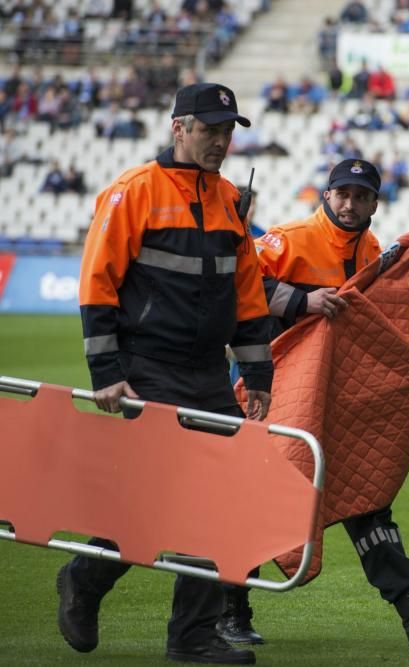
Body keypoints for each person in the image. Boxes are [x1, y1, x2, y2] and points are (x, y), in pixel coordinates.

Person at [217, 158, 409, 654]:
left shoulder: (376, 251)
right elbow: (239, 285)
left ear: (376, 204)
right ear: (326, 195)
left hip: (337, 394)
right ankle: (228, 612)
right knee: (250, 494)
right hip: (269, 384)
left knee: (367, 493)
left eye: (361, 196)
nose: (350, 204)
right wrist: (303, 301)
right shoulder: (287, 238)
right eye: (343, 194)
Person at [59, 82, 274, 665]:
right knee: (157, 502)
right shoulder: (134, 191)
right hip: (145, 368)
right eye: (210, 130)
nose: (221, 141)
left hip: (208, 373)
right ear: (178, 128)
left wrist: (257, 377)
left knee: (220, 503)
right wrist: (106, 369)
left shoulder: (230, 200)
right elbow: (96, 284)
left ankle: (191, 636)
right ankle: (85, 580)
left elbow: (247, 296)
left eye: (228, 131)